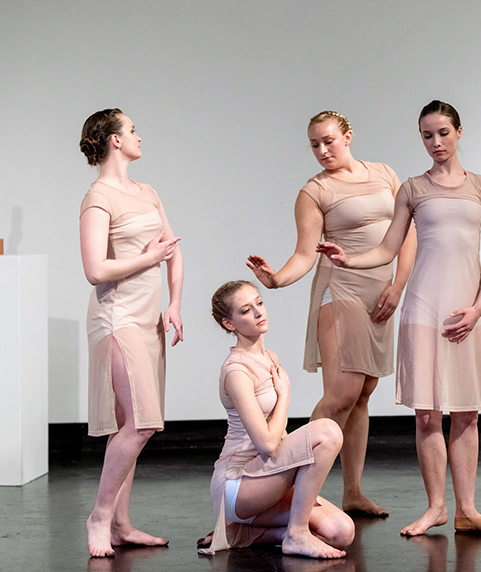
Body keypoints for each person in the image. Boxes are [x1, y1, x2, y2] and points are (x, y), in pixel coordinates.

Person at [317, 100, 481, 537]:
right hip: (424, 308)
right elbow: (387, 249)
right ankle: (437, 507)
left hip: (467, 311)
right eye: (427, 135)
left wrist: (478, 307)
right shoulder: (411, 188)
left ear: (459, 132)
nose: (435, 142)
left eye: (443, 133)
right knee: (427, 415)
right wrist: (347, 260)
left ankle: (468, 510)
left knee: (467, 414)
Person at [247, 111, 416, 517]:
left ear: (348, 136)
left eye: (328, 141)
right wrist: (276, 279)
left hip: (381, 292)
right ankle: (295, 492)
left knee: (362, 396)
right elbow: (306, 254)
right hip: (340, 290)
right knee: (340, 396)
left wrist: (398, 287)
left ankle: (353, 492)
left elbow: (406, 235)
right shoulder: (314, 192)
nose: (322, 151)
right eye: (314, 145)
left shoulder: (384, 174)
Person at [78, 108, 184, 557]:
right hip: (117, 316)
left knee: (131, 423)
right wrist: (149, 258)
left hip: (148, 318)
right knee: (141, 423)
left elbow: (173, 250)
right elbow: (95, 269)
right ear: (115, 141)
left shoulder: (147, 191)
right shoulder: (98, 197)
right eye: (133, 129)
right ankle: (100, 516)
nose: (140, 135)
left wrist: (174, 302)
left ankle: (121, 523)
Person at [200, 280, 354, 558]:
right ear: (229, 324)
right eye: (246, 310)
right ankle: (296, 534)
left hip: (270, 475)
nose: (259, 312)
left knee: (341, 532)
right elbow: (268, 446)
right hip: (239, 484)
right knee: (328, 431)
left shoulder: (270, 357)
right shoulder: (237, 371)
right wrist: (285, 395)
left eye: (259, 303)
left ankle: (242, 534)